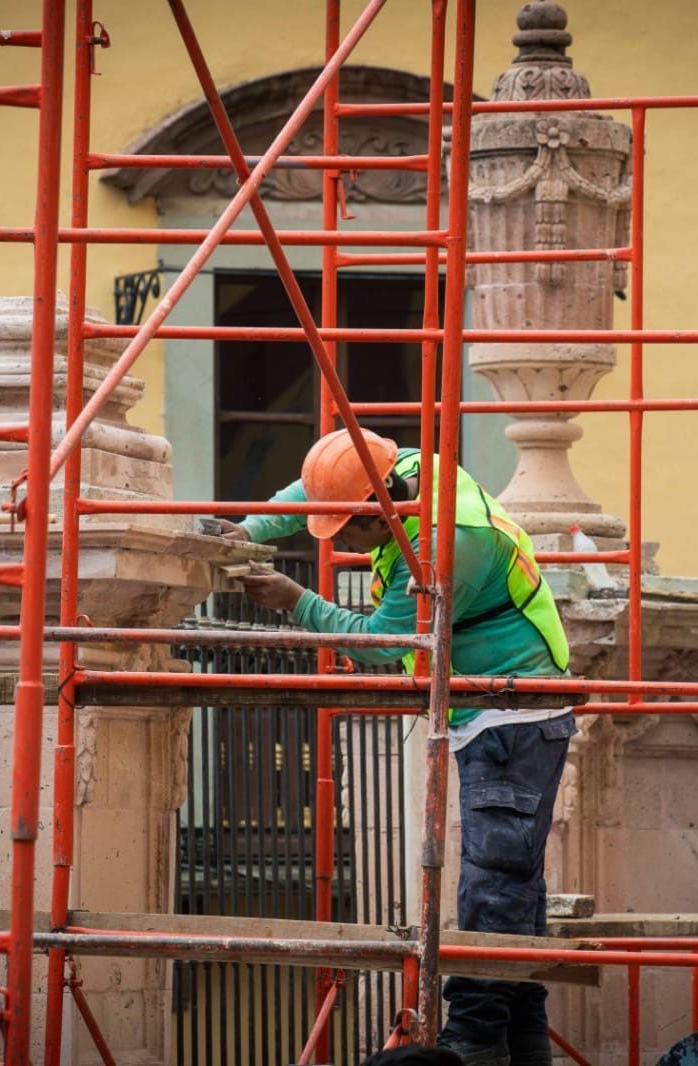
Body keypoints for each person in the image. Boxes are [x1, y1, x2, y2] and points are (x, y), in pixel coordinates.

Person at [219, 427, 575, 1066]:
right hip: (495, 706)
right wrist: (250, 530)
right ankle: (523, 1046)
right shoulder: (399, 470)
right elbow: (313, 489)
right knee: (512, 891)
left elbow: (389, 648)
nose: (343, 546)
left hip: (512, 712)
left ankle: (473, 1042)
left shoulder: (448, 542)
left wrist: (295, 600)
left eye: (346, 533)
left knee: (492, 889)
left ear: (377, 507)